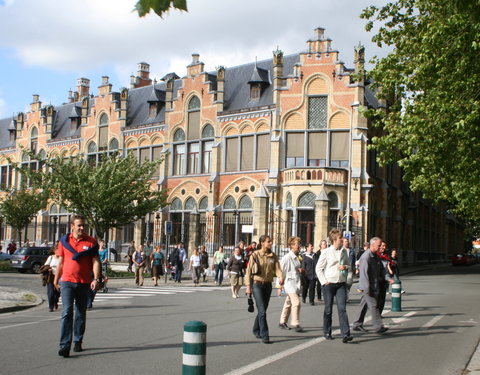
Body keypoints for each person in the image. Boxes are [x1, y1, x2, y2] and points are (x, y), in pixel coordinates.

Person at [53, 214, 100, 358]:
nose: (82, 228)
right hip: (67, 281)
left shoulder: (91, 242)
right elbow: (60, 261)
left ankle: (78, 340)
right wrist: (56, 279)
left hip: (83, 282)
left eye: (83, 225)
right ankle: (64, 345)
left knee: (80, 313)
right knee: (66, 312)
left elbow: (95, 261)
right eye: (79, 225)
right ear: (72, 226)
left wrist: (96, 279)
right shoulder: (64, 241)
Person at [245, 235, 283, 344]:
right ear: (262, 243)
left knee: (263, 310)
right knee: (262, 311)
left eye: (270, 241)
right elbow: (248, 272)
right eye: (268, 241)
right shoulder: (255, 255)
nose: (270, 243)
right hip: (257, 285)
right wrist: (248, 286)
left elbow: (277, 269)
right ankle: (264, 334)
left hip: (268, 285)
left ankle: (256, 329)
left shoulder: (273, 256)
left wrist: (281, 276)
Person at [316, 229, 352, 343]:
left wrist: (345, 267)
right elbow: (318, 268)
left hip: (341, 283)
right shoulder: (326, 252)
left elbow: (348, 265)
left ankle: (345, 334)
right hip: (329, 284)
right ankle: (327, 331)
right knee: (328, 309)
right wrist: (324, 281)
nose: (342, 240)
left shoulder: (343, 251)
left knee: (342, 309)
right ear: (334, 240)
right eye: (340, 238)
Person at [352, 237, 393, 334]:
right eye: (379, 246)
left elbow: (382, 270)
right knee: (374, 306)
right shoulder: (366, 257)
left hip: (374, 285)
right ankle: (378, 326)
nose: (380, 248)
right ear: (372, 245)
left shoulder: (376, 256)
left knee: (364, 304)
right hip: (368, 287)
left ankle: (357, 324)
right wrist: (366, 288)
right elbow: (364, 274)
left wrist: (387, 278)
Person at [279, 236, 305, 332]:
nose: (299, 247)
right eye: (298, 245)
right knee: (296, 303)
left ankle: (282, 321)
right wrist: (280, 283)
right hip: (289, 283)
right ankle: (295, 322)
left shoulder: (297, 257)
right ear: (292, 246)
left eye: (299, 245)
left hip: (296, 283)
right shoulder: (287, 257)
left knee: (288, 303)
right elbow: (281, 270)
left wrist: (300, 270)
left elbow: (295, 269)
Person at [41, 245, 61, 312]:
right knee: (51, 292)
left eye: (59, 250)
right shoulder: (51, 257)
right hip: (51, 276)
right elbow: (46, 265)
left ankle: (56, 301)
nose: (58, 251)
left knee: (57, 292)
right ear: (54, 251)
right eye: (57, 250)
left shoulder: (62, 258)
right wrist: (48, 269)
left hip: (59, 277)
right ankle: (51, 306)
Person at [377, 241, 392, 314]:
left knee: (382, 297)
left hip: (384, 279)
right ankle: (376, 313)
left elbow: (387, 266)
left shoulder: (386, 256)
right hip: (377, 279)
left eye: (385, 246)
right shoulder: (376, 255)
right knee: (377, 297)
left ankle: (379, 313)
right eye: (382, 246)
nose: (384, 247)